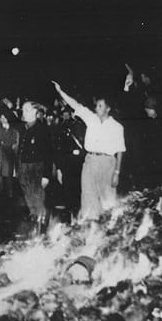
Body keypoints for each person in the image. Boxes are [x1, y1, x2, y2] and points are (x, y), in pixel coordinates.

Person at [53, 81, 125, 221]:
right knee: (88, 196)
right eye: (96, 105)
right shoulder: (90, 118)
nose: (97, 108)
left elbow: (120, 151)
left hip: (108, 163)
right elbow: (75, 104)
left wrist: (117, 172)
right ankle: (90, 228)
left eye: (100, 106)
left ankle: (107, 230)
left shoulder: (117, 127)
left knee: (107, 199)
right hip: (90, 162)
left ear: (108, 108)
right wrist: (61, 92)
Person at [16, 101, 55, 233]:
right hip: (23, 170)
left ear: (35, 112)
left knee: (39, 202)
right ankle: (35, 230)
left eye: (26, 110)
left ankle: (42, 233)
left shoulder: (42, 129)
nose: (23, 113)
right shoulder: (23, 128)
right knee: (30, 202)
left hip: (36, 170)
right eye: (23, 110)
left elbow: (49, 154)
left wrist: (46, 175)